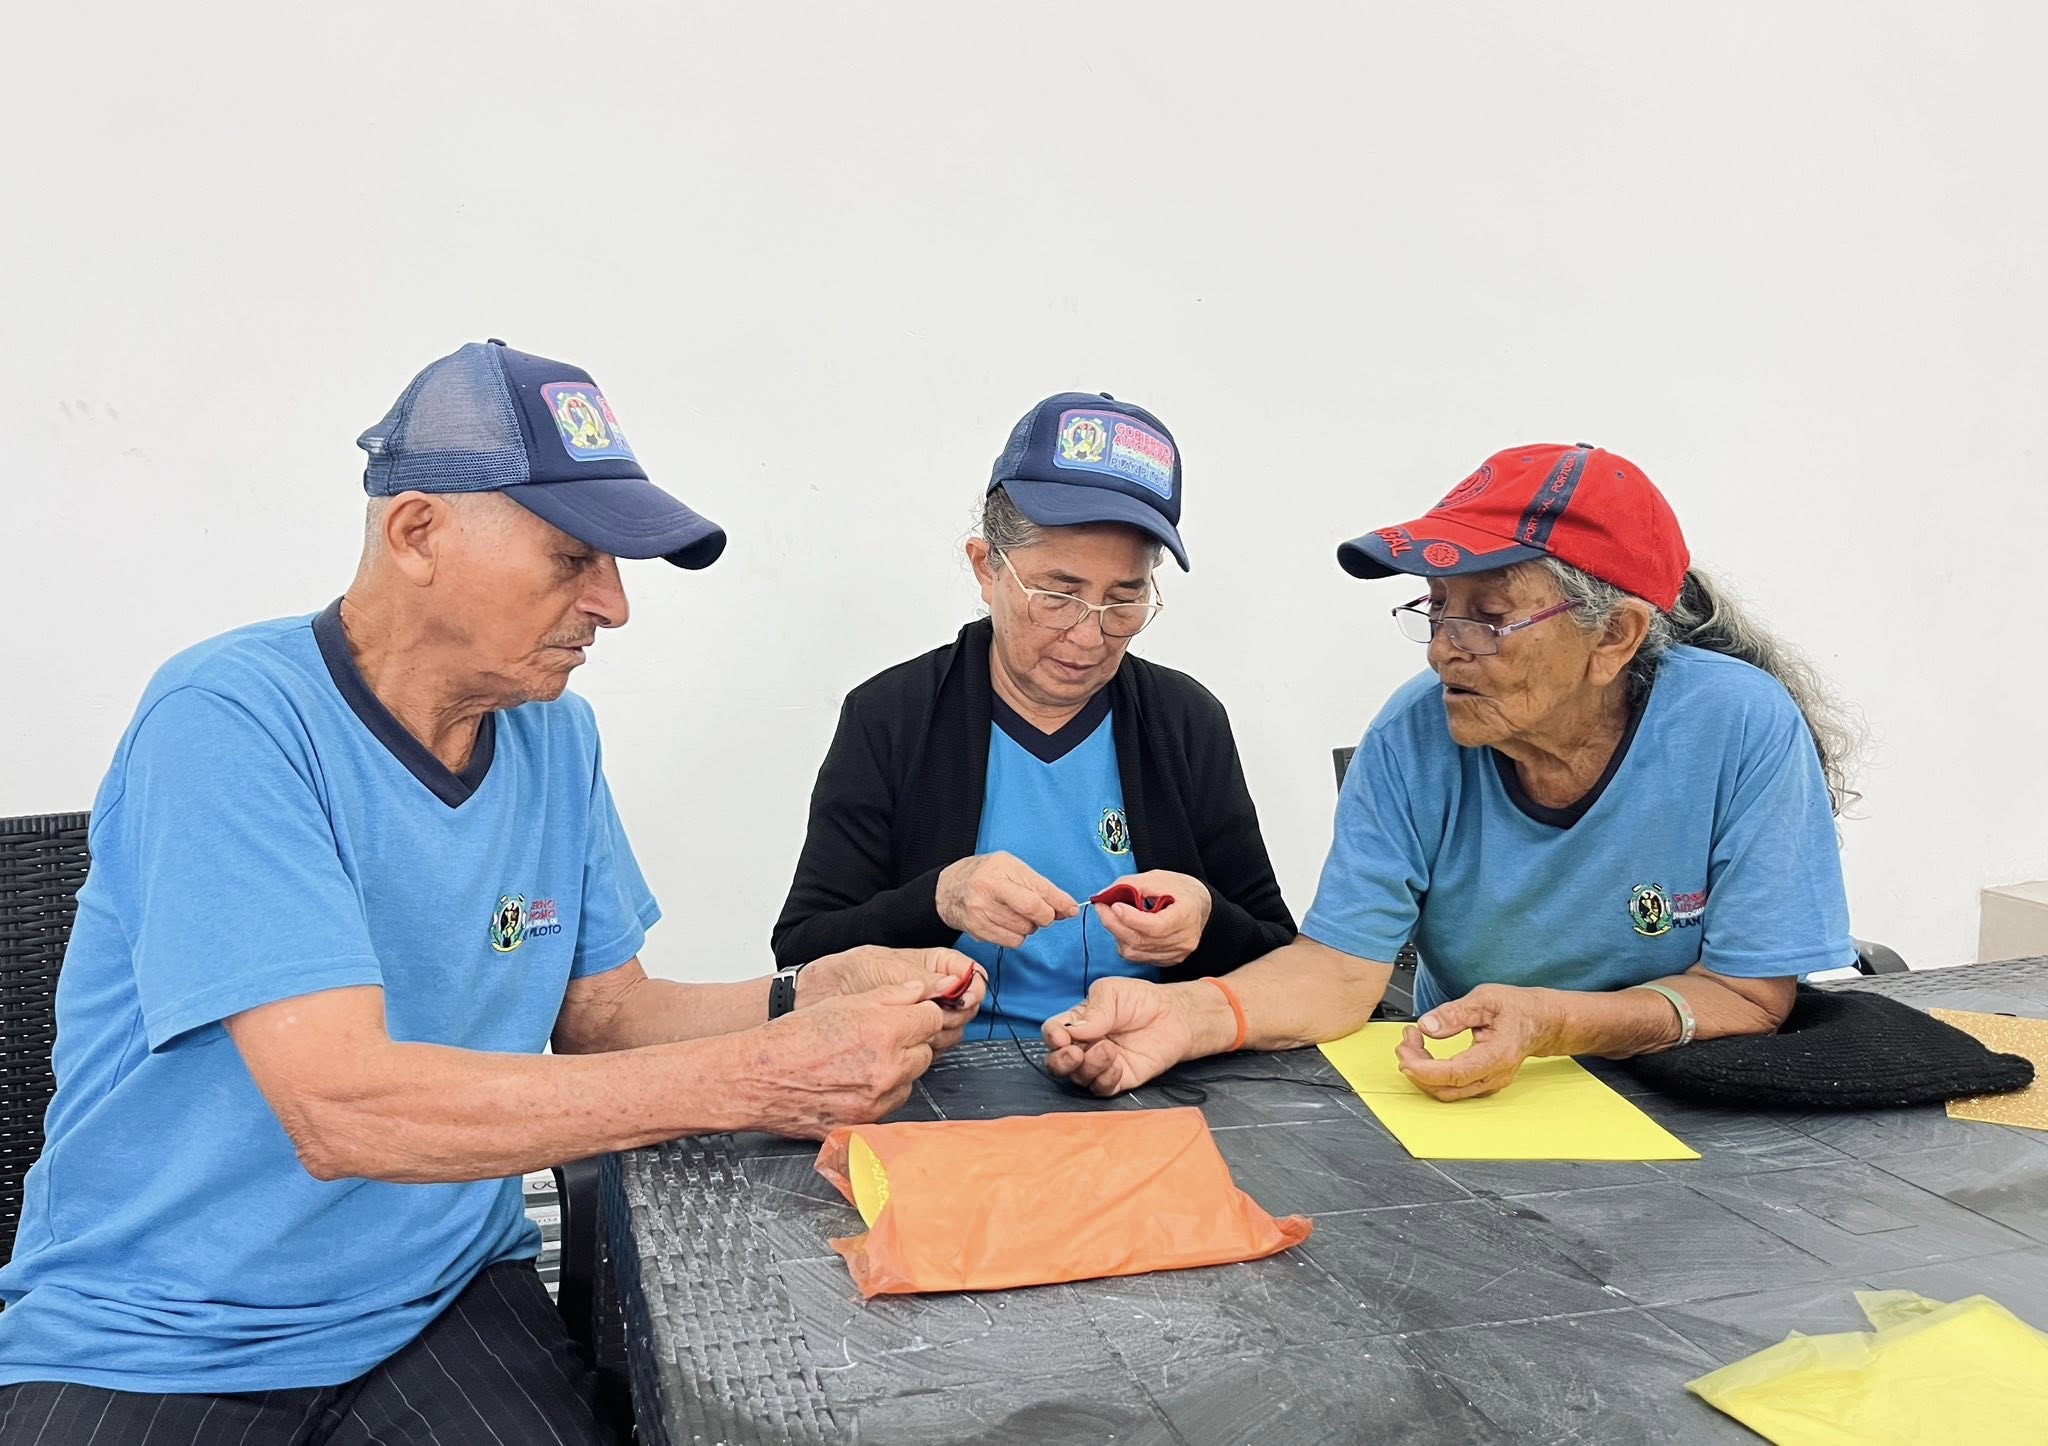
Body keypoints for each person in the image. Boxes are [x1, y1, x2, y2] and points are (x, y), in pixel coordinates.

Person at [0, 340, 981, 1445]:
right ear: (418, 532)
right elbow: (340, 1108)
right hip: (154, 1334)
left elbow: (604, 1014)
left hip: (435, 1304)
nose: (613, 604)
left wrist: (809, 993)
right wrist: (762, 1077)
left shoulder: (555, 735)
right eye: (572, 558)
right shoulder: (226, 719)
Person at [1040, 442, 1858, 1099]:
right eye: (1436, 607)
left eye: (1489, 619)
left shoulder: (1736, 724)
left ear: (1614, 637)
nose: (1441, 651)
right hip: (1471, 1091)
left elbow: (1749, 996)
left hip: (1691, 1098)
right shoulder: (1413, 735)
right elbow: (1339, 973)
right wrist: (1181, 1016)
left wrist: (1556, 1024)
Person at [772, 392, 1296, 1040]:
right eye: (1057, 595)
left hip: (1146, 1057)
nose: (1089, 636)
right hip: (938, 1064)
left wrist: (1206, 921)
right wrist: (939, 898)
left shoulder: (1186, 722)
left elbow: (1280, 958)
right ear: (986, 568)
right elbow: (803, 955)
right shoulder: (891, 717)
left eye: (1124, 601)